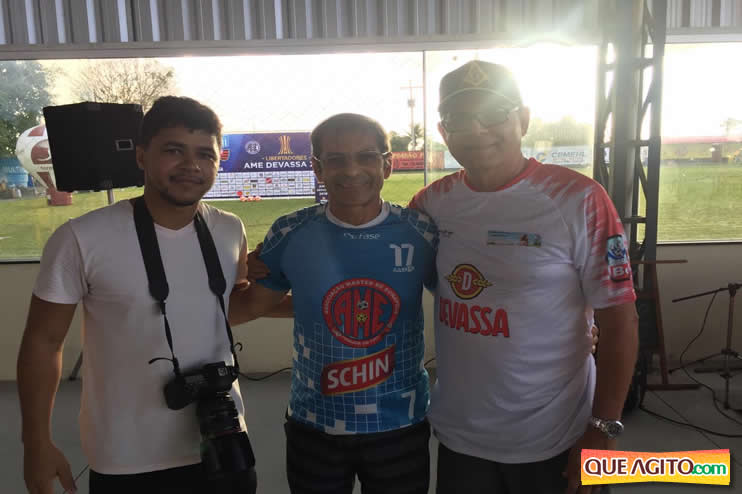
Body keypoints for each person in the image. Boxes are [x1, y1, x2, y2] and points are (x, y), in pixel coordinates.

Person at [17, 96, 283, 494]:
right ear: (141, 156)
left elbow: (225, 309)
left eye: (204, 154)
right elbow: (43, 341)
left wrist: (298, 291)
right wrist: (36, 443)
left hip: (223, 441)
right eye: (174, 151)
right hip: (125, 455)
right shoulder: (81, 238)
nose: (191, 165)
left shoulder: (230, 228)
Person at [408, 60, 639, 494]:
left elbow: (620, 320)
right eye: (459, 118)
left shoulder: (578, 199)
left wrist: (603, 428)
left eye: (494, 114)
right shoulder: (431, 204)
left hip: (556, 436)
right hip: (461, 436)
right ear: (443, 131)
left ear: (524, 119)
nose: (477, 129)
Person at [231, 113, 438, 494]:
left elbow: (459, 304)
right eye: (336, 159)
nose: (352, 170)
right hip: (315, 423)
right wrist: (225, 274)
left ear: (387, 165)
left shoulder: (420, 230)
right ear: (317, 168)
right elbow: (247, 307)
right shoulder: (290, 231)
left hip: (400, 422)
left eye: (366, 156)